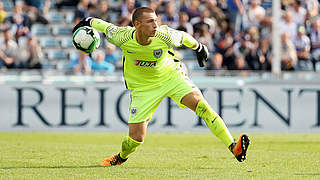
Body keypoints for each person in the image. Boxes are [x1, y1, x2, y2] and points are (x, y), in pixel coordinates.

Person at [72, 7, 250, 166]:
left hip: (171, 76)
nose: (155, 25)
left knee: (201, 106)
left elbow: (184, 37)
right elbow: (103, 25)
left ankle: (234, 147)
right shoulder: (122, 36)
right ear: (137, 24)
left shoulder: (164, 35)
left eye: (156, 20)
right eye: (150, 21)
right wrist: (87, 21)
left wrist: (199, 48)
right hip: (143, 88)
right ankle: (121, 157)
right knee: (136, 139)